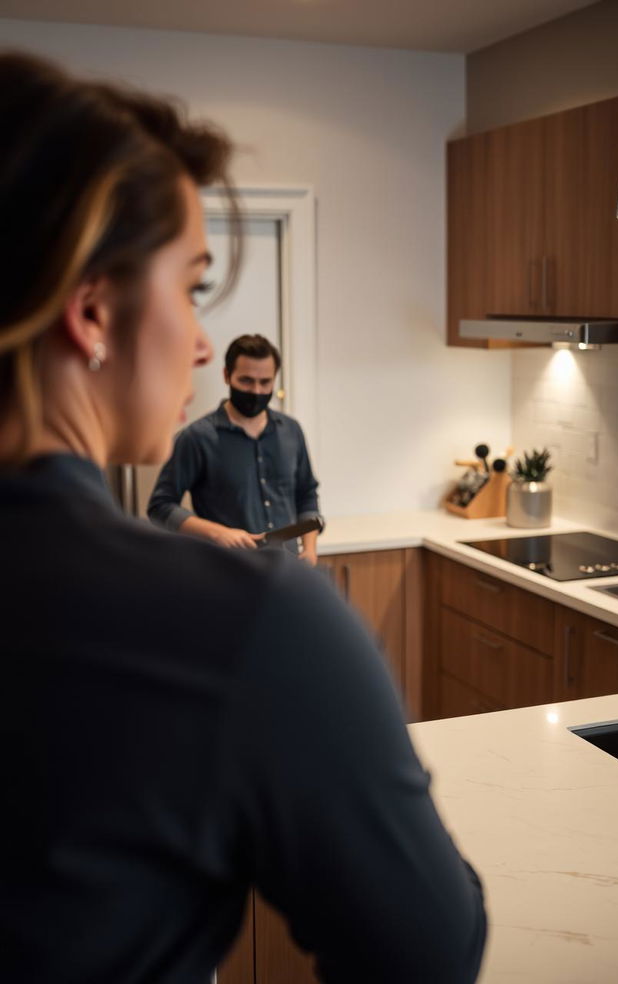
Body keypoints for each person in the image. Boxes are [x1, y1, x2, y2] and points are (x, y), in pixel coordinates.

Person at [0, 50, 487, 984]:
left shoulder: (285, 466)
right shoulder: (250, 629)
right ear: (93, 312)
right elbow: (427, 954)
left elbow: (308, 497)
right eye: (188, 287)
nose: (201, 340)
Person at [148, 333, 321, 564]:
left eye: (265, 382)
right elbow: (161, 506)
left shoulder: (291, 431)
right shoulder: (197, 437)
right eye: (247, 381)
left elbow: (306, 493)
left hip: (287, 569)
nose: (257, 391)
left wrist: (309, 550)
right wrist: (218, 533)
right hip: (227, 570)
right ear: (227, 376)